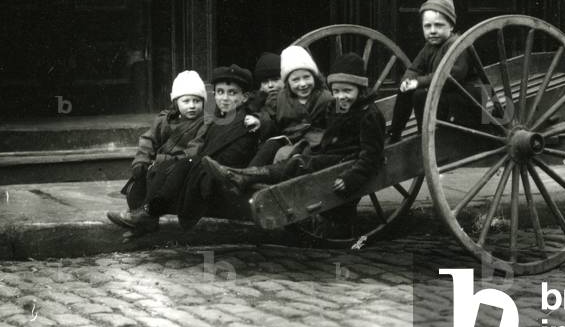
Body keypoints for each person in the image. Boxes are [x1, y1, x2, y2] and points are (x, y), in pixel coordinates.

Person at [199, 53, 386, 232]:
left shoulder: (369, 115)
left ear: (360, 89)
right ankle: (243, 176)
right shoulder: (337, 106)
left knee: (297, 163)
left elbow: (372, 156)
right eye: (336, 91)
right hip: (331, 153)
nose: (341, 96)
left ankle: (247, 178)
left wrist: (350, 178)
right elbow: (328, 131)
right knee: (292, 159)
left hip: (347, 159)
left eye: (347, 91)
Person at [107, 64, 260, 235]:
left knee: (175, 166)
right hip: (190, 167)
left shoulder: (244, 122)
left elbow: (213, 153)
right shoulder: (215, 117)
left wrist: (257, 118)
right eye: (220, 92)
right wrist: (143, 160)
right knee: (144, 181)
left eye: (232, 93)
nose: (224, 98)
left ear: (245, 97)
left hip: (212, 176)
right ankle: (144, 220)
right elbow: (149, 139)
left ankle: (148, 215)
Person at [386, 0, 484, 142]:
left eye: (438, 25)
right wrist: (407, 81)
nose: (432, 31)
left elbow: (450, 77)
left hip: (467, 97)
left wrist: (418, 83)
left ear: (451, 26)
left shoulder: (457, 45)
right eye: (427, 26)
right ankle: (395, 133)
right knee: (405, 90)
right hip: (443, 93)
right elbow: (414, 68)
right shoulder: (430, 47)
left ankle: (424, 138)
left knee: (420, 94)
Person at [117, 70, 207, 211]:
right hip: (156, 164)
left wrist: (162, 159)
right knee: (135, 192)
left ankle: (145, 216)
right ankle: (135, 215)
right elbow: (149, 139)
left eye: (197, 101)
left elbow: (193, 150)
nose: (192, 106)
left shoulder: (203, 124)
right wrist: (142, 159)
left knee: (155, 190)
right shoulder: (164, 120)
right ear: (176, 102)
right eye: (186, 101)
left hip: (177, 168)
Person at [245, 45, 333, 165]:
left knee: (290, 156)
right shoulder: (281, 97)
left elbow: (336, 120)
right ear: (287, 83)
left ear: (315, 77)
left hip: (313, 142)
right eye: (295, 80)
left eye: (307, 77)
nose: (302, 84)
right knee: (269, 146)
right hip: (288, 139)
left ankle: (268, 177)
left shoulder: (325, 97)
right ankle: (247, 173)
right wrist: (259, 120)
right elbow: (269, 115)